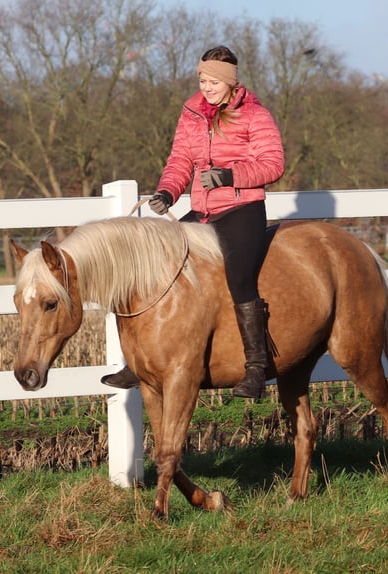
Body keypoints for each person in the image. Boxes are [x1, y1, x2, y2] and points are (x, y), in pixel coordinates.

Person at [102, 45, 285, 399]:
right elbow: (180, 160)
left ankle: (256, 369)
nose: (207, 86)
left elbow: (273, 164)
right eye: (202, 79)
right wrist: (168, 192)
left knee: (239, 277)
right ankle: (139, 363)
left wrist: (229, 176)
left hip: (241, 209)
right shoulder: (191, 114)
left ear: (230, 82)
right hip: (203, 213)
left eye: (213, 80)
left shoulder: (255, 115)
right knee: (158, 266)